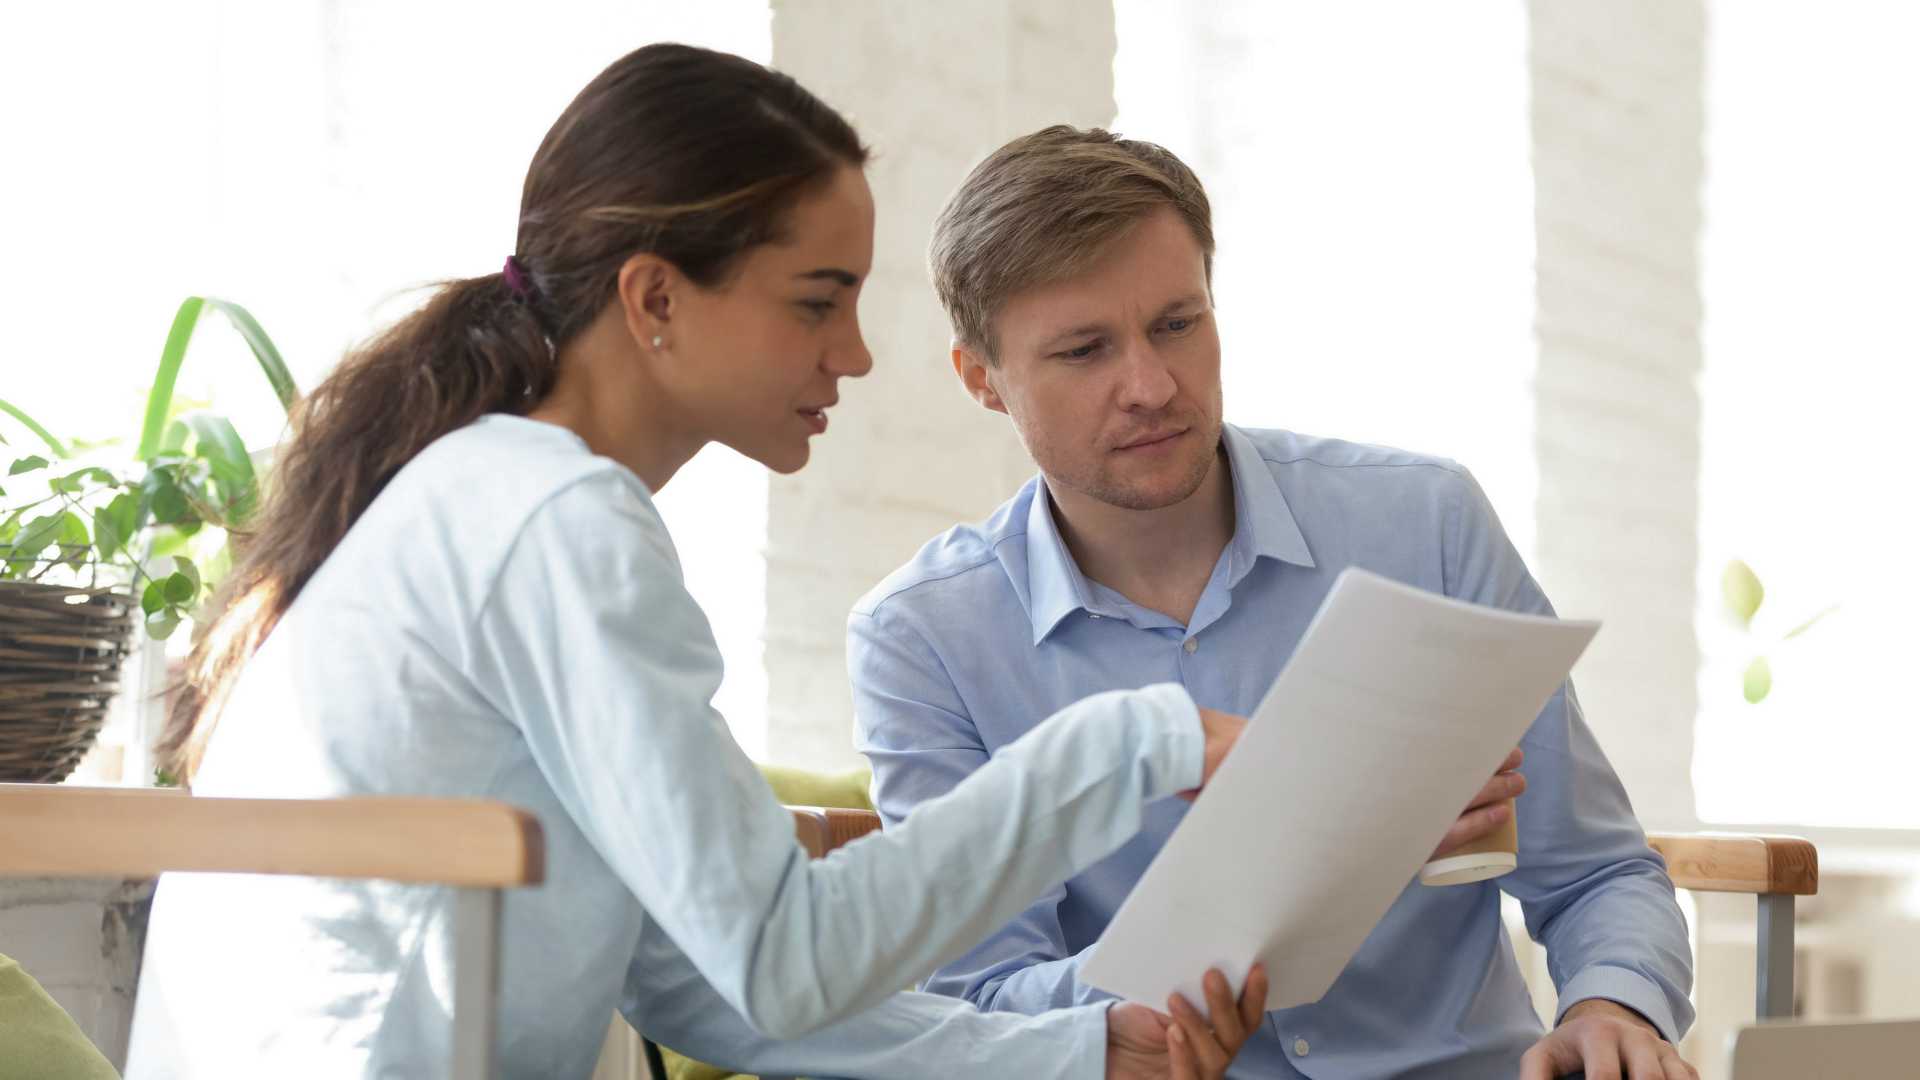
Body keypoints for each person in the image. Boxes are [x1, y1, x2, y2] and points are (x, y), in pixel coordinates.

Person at [125, 47, 1268, 1080]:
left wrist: (1066, 1056)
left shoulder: (501, 494)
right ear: (656, 297)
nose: (856, 353)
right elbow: (786, 957)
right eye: (819, 301)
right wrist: (1144, 737)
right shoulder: (551, 518)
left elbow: (702, 974)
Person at [848, 125, 1699, 1080]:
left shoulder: (1427, 524)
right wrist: (1151, 994)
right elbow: (981, 1002)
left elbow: (1598, 872)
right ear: (982, 380)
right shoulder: (922, 638)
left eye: (1178, 323)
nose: (1152, 385)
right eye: (1085, 350)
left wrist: (1611, 1004)